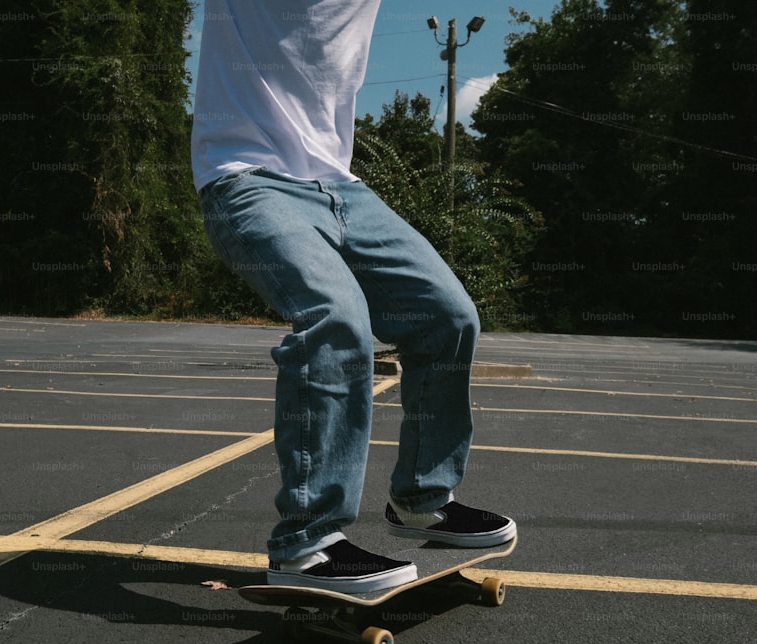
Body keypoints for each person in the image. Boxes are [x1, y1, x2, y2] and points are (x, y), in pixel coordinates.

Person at [191, 0, 515, 594]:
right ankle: (305, 544)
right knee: (335, 319)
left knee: (448, 316)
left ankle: (423, 498)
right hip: (246, 178)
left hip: (343, 189)